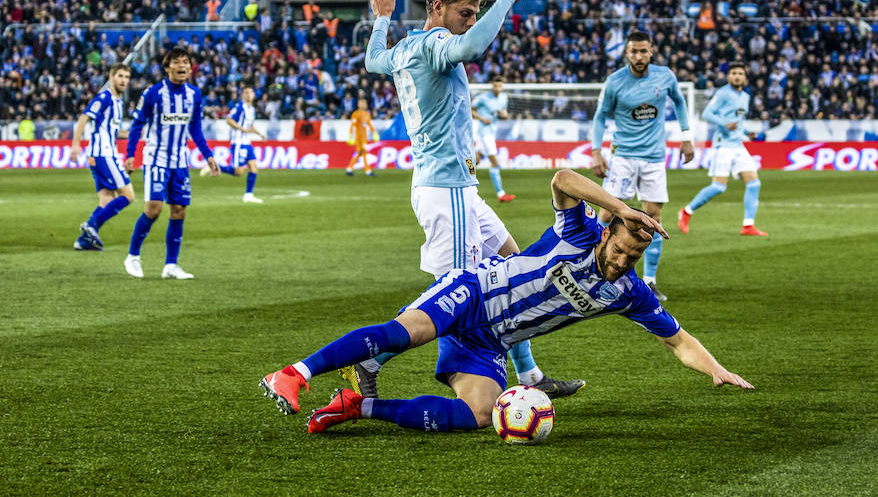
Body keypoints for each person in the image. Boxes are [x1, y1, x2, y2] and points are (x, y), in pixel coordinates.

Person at [259, 169, 754, 434]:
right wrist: (620, 206)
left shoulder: (629, 292)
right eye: (621, 248)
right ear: (607, 234)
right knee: (407, 332)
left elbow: (678, 340)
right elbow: (561, 178)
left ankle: (357, 407)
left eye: (634, 256)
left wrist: (714, 369)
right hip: (474, 292)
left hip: (489, 339)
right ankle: (294, 373)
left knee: (480, 414)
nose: (624, 260)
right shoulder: (580, 230)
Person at [360, 0, 583, 399]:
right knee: (454, 295)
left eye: (476, 14)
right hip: (446, 190)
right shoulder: (437, 43)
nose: (471, 22)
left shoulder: (407, 46)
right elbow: (472, 48)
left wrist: (382, 21)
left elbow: (373, 61)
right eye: (466, 12)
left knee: (512, 265)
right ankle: (372, 358)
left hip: (454, 188)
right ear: (438, 7)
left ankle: (532, 376)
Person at [590, 31, 694, 302]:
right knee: (606, 213)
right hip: (623, 157)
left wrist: (686, 137)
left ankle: (649, 281)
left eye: (643, 51)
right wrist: (596, 152)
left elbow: (680, 102)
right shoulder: (615, 82)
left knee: (654, 218)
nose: (638, 56)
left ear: (651, 51)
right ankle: (591, 270)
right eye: (634, 51)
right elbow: (600, 116)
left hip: (654, 159)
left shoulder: (665, 76)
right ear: (627, 53)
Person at [123, 48, 220, 279]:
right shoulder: (153, 94)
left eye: (186, 62)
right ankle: (133, 256)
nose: (182, 66)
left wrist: (208, 155)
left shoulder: (194, 94)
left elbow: (194, 128)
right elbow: (137, 125)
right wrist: (130, 155)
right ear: (167, 68)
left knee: (178, 211)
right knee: (154, 209)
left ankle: (171, 265)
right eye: (177, 62)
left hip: (180, 161)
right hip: (156, 159)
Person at [678, 63, 767, 236]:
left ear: (745, 77)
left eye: (740, 73)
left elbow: (738, 121)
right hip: (723, 145)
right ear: (728, 76)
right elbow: (707, 114)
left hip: (738, 145)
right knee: (719, 187)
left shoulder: (745, 97)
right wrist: (724, 124)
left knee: (754, 183)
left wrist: (747, 132)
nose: (737, 76)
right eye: (734, 73)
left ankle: (748, 225)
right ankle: (686, 211)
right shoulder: (723, 93)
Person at [69, 63, 135, 250]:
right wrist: (75, 144)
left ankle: (83, 241)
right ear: (111, 77)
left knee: (106, 200)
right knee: (128, 195)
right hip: (103, 154)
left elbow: (114, 131)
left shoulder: (118, 102)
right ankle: (92, 225)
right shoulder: (104, 97)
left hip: (99, 155)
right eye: (120, 76)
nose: (123, 80)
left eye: (126, 77)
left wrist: (137, 134)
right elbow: (84, 118)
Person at [201, 86, 265, 203]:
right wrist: (241, 129)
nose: (249, 94)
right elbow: (229, 120)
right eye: (246, 92)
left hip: (247, 142)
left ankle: (248, 195)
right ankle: (214, 166)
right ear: (243, 95)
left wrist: (259, 134)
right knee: (238, 172)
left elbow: (249, 126)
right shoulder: (240, 107)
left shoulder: (252, 109)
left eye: (251, 92)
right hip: (239, 142)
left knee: (254, 168)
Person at [472, 76, 515, 202]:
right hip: (483, 132)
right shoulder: (483, 98)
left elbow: (502, 113)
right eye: (496, 86)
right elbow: (471, 109)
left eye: (500, 86)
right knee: (495, 162)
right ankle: (501, 194)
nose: (498, 88)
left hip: (491, 131)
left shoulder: (503, 98)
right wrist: (481, 119)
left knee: (476, 159)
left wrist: (504, 115)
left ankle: (460, 177)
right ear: (492, 86)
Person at [346, 96, 379, 176]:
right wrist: (350, 136)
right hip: (359, 137)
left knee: (360, 153)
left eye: (365, 103)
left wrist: (374, 133)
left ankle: (349, 168)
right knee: (363, 152)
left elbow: (369, 124)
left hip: (364, 137)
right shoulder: (355, 114)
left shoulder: (367, 114)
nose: (364, 104)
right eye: (362, 103)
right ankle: (368, 171)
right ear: (358, 104)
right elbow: (352, 126)